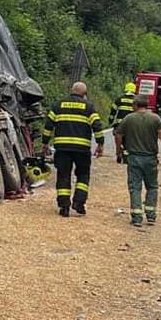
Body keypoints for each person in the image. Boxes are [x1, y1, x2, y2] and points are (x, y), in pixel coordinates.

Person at [41, 80, 104, 217]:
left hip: (62, 148)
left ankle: (64, 206)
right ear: (85, 94)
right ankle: (79, 203)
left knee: (63, 175)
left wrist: (45, 143)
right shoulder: (89, 107)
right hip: (82, 149)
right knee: (83, 175)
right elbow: (97, 126)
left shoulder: (58, 105)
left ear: (71, 90)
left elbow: (48, 126)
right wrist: (100, 144)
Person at [115, 95, 161, 227]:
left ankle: (136, 217)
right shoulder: (155, 118)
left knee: (135, 187)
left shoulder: (129, 118)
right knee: (152, 186)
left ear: (135, 104)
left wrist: (119, 150)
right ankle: (151, 215)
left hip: (134, 157)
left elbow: (118, 135)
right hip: (150, 158)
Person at [109, 81, 137, 163]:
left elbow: (113, 111)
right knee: (129, 141)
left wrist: (110, 120)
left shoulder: (119, 99)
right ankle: (126, 155)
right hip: (132, 125)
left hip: (120, 124)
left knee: (118, 138)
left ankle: (118, 151)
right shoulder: (136, 100)